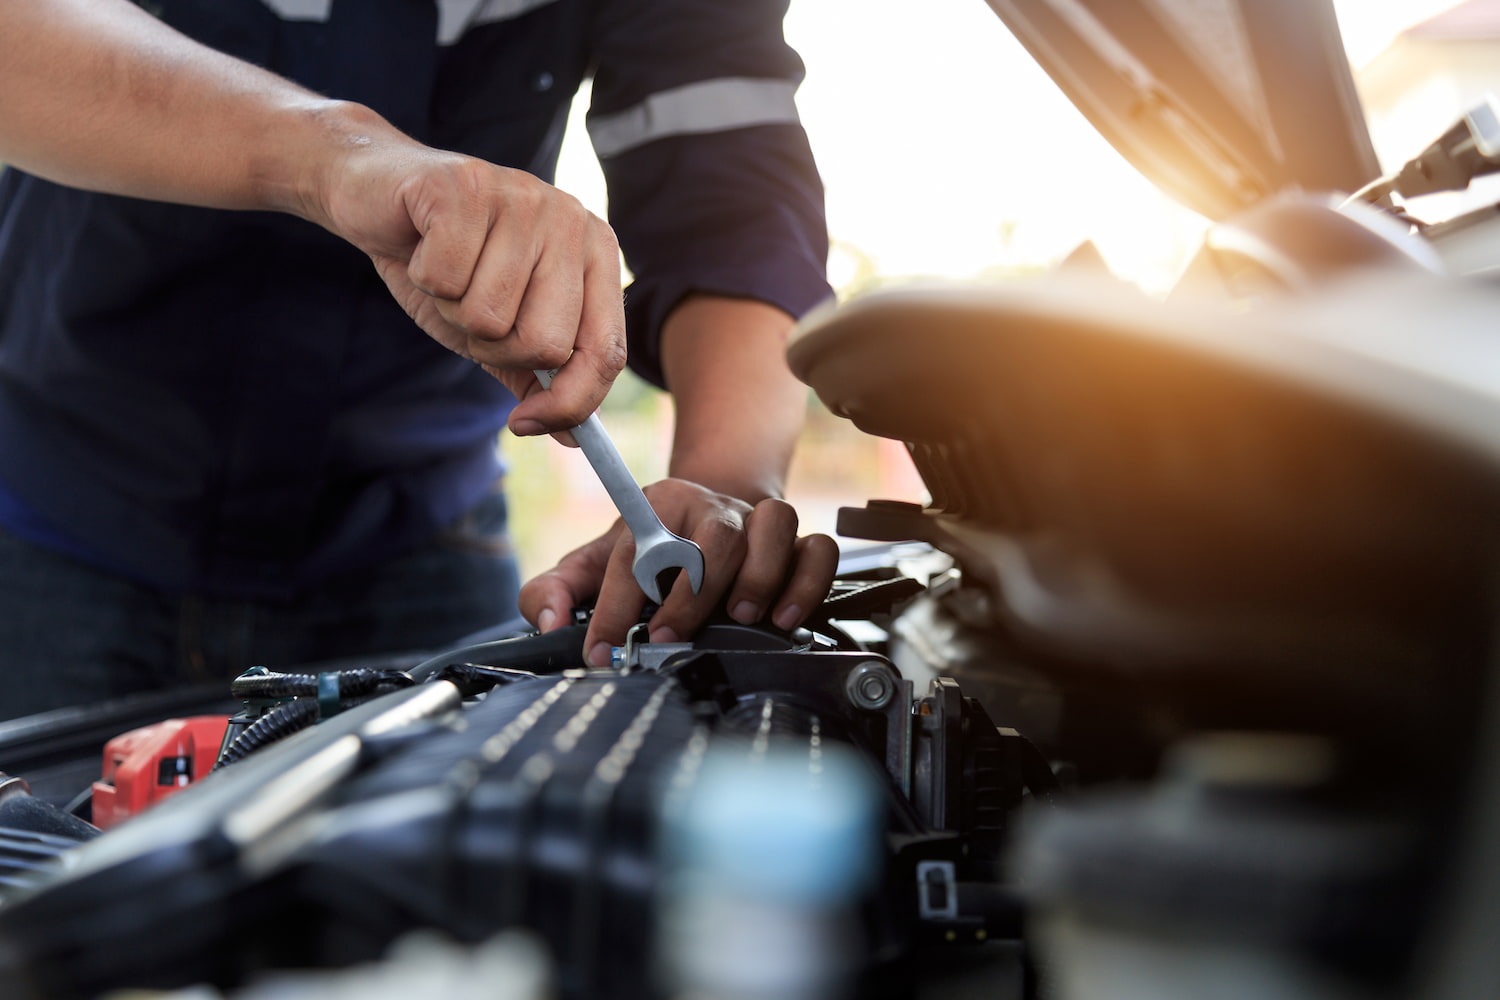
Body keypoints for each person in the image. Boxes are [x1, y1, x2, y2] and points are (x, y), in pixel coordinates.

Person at [0, 0, 839, 718]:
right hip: (51, 530)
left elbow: (730, 201)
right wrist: (334, 155)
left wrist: (722, 489)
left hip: (421, 549)